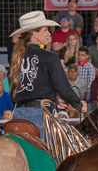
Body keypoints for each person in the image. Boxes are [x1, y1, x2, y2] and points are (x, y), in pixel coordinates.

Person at [8, 11, 86, 140]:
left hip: (17, 114)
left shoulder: (16, 58)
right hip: (40, 115)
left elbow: (15, 92)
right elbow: (64, 88)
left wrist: (54, 99)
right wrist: (79, 104)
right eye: (45, 30)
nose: (49, 34)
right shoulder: (49, 57)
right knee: (61, 150)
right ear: (35, 34)